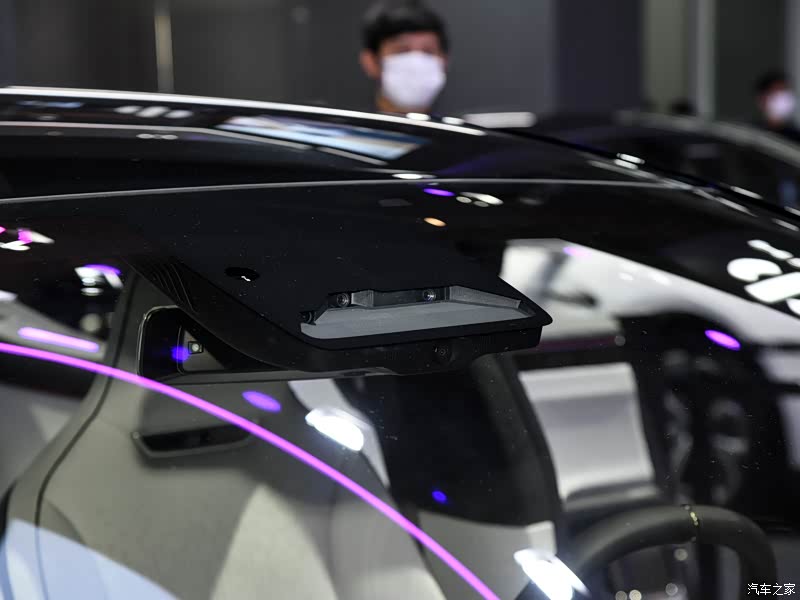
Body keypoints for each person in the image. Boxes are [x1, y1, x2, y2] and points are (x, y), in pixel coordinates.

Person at [360, 1, 449, 114]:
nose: (417, 62)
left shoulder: (461, 125)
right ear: (371, 62)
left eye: (428, 51)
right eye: (402, 50)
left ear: (444, 61)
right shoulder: (348, 125)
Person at [754, 71, 800, 142]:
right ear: (762, 98)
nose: (783, 98)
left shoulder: (796, 136)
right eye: (777, 92)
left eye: (784, 91)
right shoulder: (751, 133)